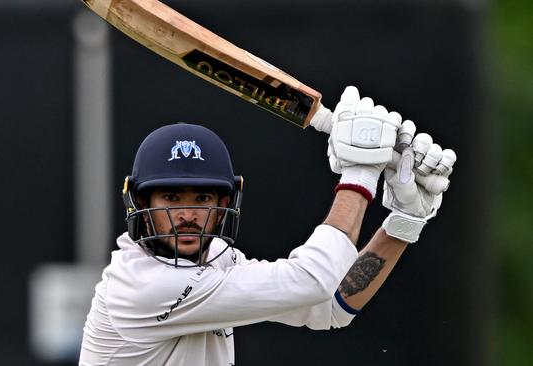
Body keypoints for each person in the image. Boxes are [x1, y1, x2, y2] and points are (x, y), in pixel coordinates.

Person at [78, 86, 457, 365]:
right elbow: (312, 280)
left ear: (225, 204)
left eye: (203, 199)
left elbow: (332, 306)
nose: (187, 215)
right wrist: (360, 173)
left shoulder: (219, 263)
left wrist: (404, 222)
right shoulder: (141, 286)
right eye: (171, 199)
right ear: (142, 205)